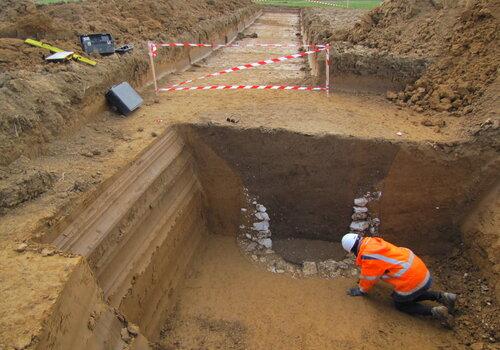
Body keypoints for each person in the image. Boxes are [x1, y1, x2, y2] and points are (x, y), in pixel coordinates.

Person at [341, 233, 457, 328]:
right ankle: (444, 296)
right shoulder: (373, 242)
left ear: (353, 250)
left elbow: (369, 278)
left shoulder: (368, 256)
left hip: (412, 279)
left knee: (401, 304)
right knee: (409, 294)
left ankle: (435, 311)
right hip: (421, 271)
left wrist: (361, 290)